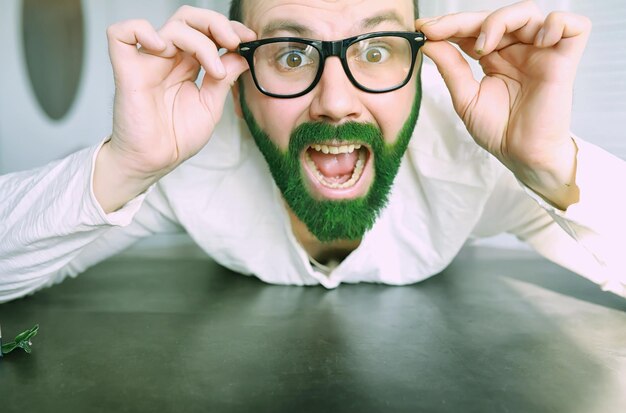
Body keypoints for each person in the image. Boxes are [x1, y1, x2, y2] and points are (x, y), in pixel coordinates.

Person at [0, 0, 624, 303]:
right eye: (292, 55)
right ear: (239, 78)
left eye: (375, 50)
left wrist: (550, 166)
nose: (335, 102)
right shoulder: (186, 157)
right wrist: (124, 167)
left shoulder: (473, 151)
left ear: (419, 71)